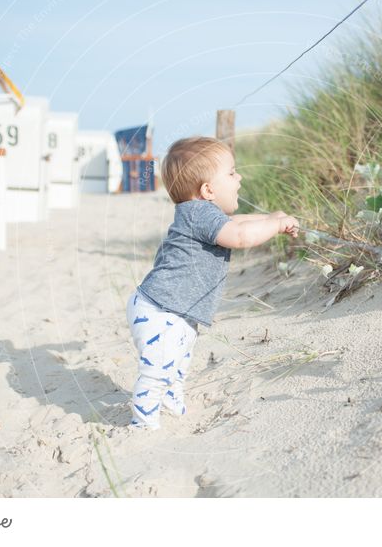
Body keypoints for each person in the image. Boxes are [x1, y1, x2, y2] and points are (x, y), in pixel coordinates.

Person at [125, 136, 299, 430]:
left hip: (170, 309)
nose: (239, 177)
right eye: (232, 173)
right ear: (207, 190)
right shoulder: (200, 213)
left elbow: (240, 222)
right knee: (158, 369)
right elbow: (241, 236)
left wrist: (270, 218)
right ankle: (142, 424)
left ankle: (171, 405)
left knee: (177, 363)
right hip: (161, 311)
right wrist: (276, 225)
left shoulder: (201, 213)